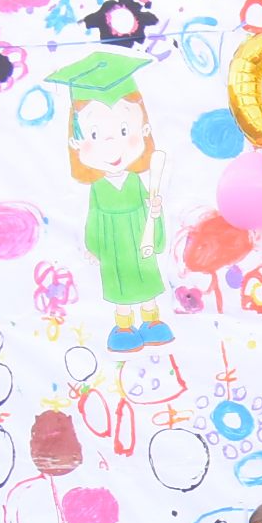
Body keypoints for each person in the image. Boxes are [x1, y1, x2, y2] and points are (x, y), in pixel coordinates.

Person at [45, 50, 169, 352]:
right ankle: (124, 327)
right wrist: (95, 246)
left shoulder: (138, 182)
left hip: (140, 239)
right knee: (120, 287)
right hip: (113, 245)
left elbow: (150, 208)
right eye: (96, 134)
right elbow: (95, 217)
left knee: (147, 280)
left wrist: (156, 217)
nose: (112, 145)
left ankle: (152, 323)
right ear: (76, 143)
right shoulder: (99, 189)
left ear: (144, 130)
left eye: (124, 131)